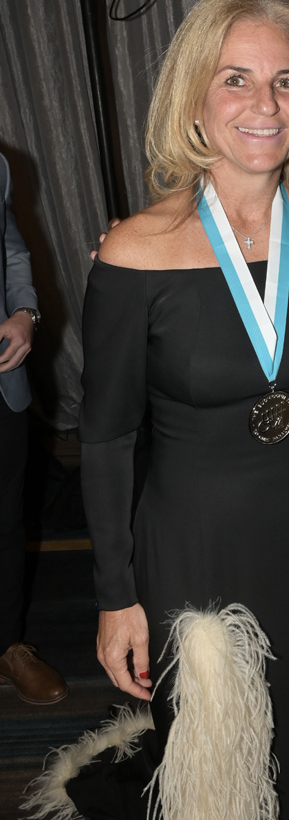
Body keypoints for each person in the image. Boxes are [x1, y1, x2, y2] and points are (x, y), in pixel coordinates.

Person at [30, 0, 289, 820]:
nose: (265, 103)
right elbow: (104, 439)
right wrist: (115, 595)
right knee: (222, 780)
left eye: (286, 80)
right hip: (199, 561)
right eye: (235, 79)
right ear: (195, 101)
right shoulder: (139, 249)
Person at [0, 152, 68, 706]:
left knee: (6, 518)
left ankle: (7, 645)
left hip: (2, 379)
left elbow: (13, 252)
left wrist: (24, 313)